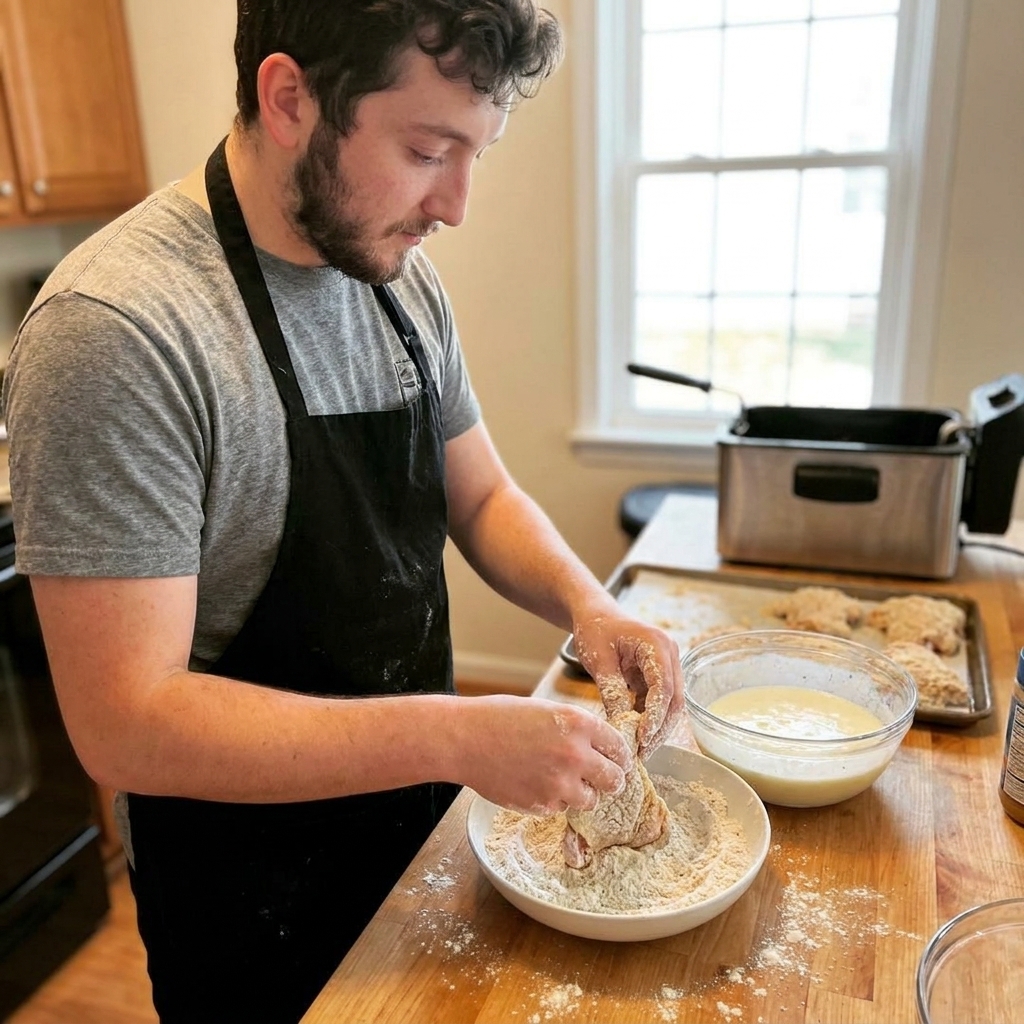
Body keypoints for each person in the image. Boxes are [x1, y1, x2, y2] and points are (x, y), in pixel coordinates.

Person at [2, 2, 683, 1021]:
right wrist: (457, 737)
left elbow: (482, 494)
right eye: (426, 149)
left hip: (416, 846)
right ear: (288, 99)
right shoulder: (119, 332)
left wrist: (591, 605)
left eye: (475, 156)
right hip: (250, 907)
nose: (454, 204)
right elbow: (126, 722)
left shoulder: (398, 280)